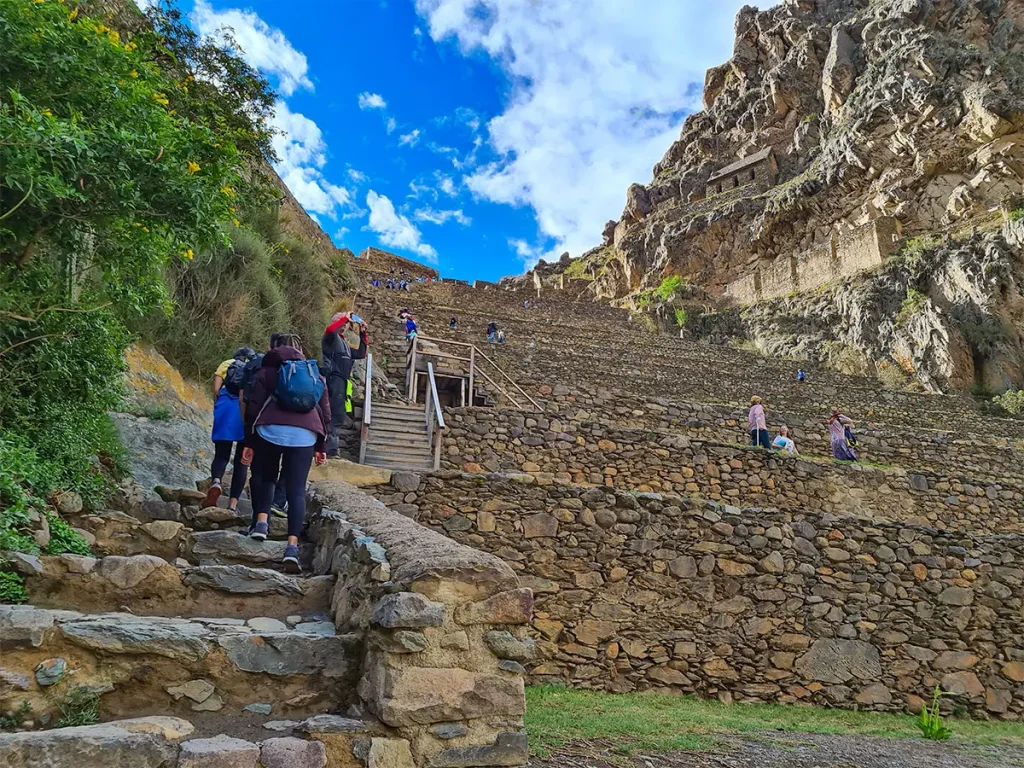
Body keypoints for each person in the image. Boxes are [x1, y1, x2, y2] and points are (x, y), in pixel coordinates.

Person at [242, 333, 329, 571]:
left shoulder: (267, 371)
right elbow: (325, 411)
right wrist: (321, 446)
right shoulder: (313, 374)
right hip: (305, 435)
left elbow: (253, 407)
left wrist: (249, 441)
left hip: (270, 430)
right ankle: (291, 547)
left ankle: (261, 523)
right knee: (296, 491)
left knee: (265, 476)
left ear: (275, 350)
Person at [204, 346, 256, 510]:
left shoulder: (227, 363)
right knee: (242, 461)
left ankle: (217, 482)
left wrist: (217, 405)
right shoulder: (253, 368)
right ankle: (233, 504)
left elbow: (216, 389)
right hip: (244, 411)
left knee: (221, 454)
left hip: (226, 406)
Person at [321, 312, 369, 456]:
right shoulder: (330, 338)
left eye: (346, 323)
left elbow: (361, 353)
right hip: (332, 379)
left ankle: (331, 449)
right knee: (332, 415)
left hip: (342, 383)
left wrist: (363, 334)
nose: (343, 325)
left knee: (338, 415)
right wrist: (344, 318)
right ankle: (327, 449)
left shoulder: (344, 344)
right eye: (340, 322)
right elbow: (330, 330)